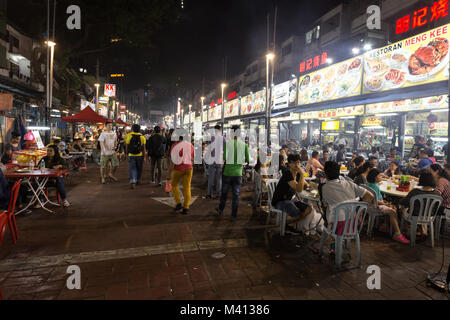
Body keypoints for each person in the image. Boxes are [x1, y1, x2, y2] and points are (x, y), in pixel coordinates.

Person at [321, 161, 374, 239]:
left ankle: (334, 242)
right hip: (353, 222)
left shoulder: (324, 188)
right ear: (338, 173)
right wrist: (360, 211)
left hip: (337, 224)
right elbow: (370, 196)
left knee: (327, 213)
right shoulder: (349, 183)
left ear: (325, 174)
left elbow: (325, 205)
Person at [271, 154, 312, 235]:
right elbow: (299, 189)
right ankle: (289, 226)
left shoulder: (298, 174)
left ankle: (287, 224)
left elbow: (306, 184)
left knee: (308, 209)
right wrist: (302, 175)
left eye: (298, 162)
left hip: (291, 199)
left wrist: (307, 184)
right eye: (293, 163)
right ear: (289, 164)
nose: (296, 165)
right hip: (280, 201)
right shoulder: (287, 173)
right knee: (297, 212)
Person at [366, 168, 410, 243]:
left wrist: (385, 202)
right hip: (374, 206)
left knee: (393, 207)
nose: (381, 178)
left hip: (370, 205)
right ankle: (397, 234)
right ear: (374, 177)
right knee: (392, 211)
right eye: (380, 176)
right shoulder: (375, 186)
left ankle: (385, 225)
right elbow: (374, 200)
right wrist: (384, 203)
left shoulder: (370, 183)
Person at [215, 125, 249, 221]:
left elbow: (224, 157)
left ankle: (221, 209)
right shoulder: (244, 145)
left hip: (227, 173)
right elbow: (247, 159)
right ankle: (233, 215)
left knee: (224, 194)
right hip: (238, 174)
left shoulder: (228, 144)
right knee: (236, 195)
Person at [399, 171, 442, 238]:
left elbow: (404, 202)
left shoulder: (415, 191)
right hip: (429, 216)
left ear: (421, 180)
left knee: (402, 209)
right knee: (422, 209)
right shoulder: (437, 193)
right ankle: (423, 230)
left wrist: (401, 200)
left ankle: (408, 230)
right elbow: (436, 207)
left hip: (414, 215)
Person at [170, 134, 195, 215]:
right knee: (187, 187)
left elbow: (173, 161)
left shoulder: (175, 146)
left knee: (174, 185)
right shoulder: (190, 145)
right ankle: (186, 207)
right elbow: (194, 157)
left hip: (178, 169)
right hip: (189, 168)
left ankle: (178, 203)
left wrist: (169, 173)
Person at [206, 125, 225, 199]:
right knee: (219, 178)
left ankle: (209, 193)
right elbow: (225, 148)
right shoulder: (223, 138)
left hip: (212, 159)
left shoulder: (211, 137)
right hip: (219, 159)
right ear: (220, 129)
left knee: (211, 177)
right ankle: (218, 194)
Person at [125, 124, 146, 189]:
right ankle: (138, 179)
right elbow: (143, 148)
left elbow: (127, 146)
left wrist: (126, 153)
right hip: (139, 155)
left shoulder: (129, 135)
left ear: (132, 129)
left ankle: (132, 180)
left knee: (132, 168)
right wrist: (144, 156)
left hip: (131, 155)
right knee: (139, 168)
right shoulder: (142, 137)